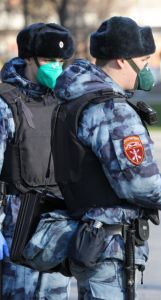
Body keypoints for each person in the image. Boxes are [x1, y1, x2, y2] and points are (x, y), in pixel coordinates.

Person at [51, 16, 161, 299]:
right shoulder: (111, 110)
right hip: (109, 247)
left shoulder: (78, 97)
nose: (147, 71)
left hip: (92, 239)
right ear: (120, 61)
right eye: (143, 61)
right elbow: (139, 184)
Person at [0, 23, 74, 299]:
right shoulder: (5, 103)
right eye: (47, 60)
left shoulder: (66, 100)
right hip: (15, 226)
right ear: (28, 58)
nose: (55, 67)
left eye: (59, 61)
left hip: (57, 225)